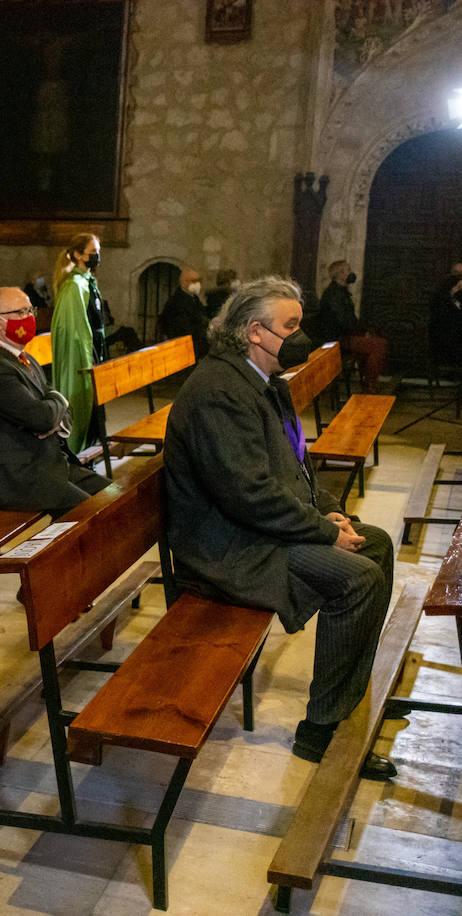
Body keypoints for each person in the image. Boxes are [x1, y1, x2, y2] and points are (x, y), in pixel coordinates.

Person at [163, 276, 396, 781]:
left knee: (374, 545)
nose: (300, 335)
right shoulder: (219, 392)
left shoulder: (263, 381)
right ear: (254, 331)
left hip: (255, 529)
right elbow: (247, 494)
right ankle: (321, 730)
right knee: (356, 578)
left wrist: (329, 514)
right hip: (228, 547)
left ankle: (349, 693)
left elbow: (294, 466)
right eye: (290, 326)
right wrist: (321, 532)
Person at [0, 287, 109, 515]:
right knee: (91, 515)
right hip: (18, 478)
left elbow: (55, 406)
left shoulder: (24, 358)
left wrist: (54, 407)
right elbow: (42, 418)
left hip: (48, 465)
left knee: (112, 496)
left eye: (30, 310)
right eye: (21, 312)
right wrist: (54, 407)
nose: (29, 317)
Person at [50, 233, 105, 453]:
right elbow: (74, 331)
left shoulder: (87, 281)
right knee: (82, 398)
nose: (97, 257)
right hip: (85, 351)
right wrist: (87, 355)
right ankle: (77, 448)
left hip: (96, 346)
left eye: (98, 253)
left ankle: (92, 444)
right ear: (77, 255)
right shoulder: (73, 285)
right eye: (92, 253)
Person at [316, 260, 388, 393]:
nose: (351, 273)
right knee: (378, 345)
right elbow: (343, 321)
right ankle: (369, 385)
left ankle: (369, 381)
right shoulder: (333, 294)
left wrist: (364, 331)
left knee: (377, 339)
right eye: (348, 270)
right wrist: (360, 333)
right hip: (337, 339)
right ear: (340, 274)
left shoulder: (342, 292)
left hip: (344, 336)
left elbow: (350, 319)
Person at [158, 267, 210, 358]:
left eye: (199, 280)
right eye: (194, 281)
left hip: (195, 348)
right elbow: (183, 328)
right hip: (184, 350)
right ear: (184, 282)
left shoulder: (194, 299)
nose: (198, 284)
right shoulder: (177, 302)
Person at [428, 262, 462, 372]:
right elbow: (438, 304)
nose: (458, 277)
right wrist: (453, 292)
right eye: (456, 273)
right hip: (443, 324)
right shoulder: (443, 285)